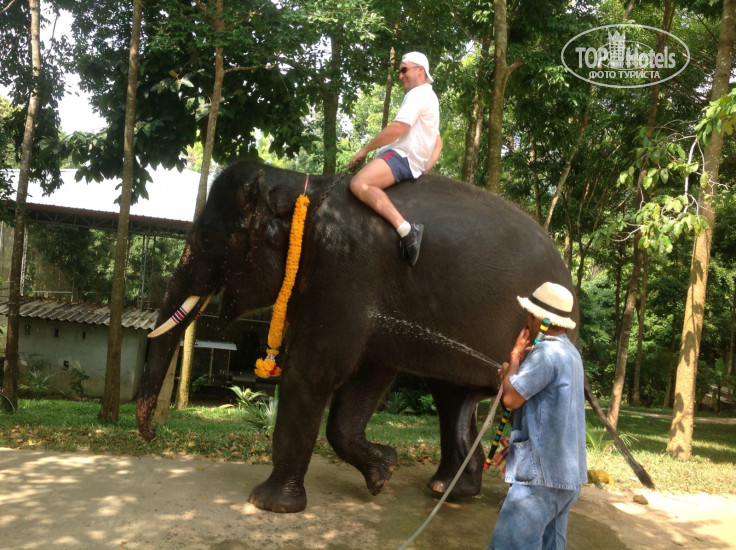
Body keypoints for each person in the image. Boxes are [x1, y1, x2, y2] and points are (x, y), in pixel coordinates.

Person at [488, 282, 587, 550]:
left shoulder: (546, 353)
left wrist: (515, 356)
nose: (527, 321)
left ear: (538, 318)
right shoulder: (570, 353)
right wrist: (515, 371)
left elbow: (510, 399)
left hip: (539, 480)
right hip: (566, 477)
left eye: (529, 314)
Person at [348, 51, 443, 267]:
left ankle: (407, 231)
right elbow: (438, 144)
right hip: (411, 162)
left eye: (403, 70)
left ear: (420, 70)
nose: (400, 76)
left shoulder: (418, 94)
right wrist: (422, 170)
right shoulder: (430, 97)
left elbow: (397, 129)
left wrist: (364, 150)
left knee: (359, 183)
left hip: (400, 156)